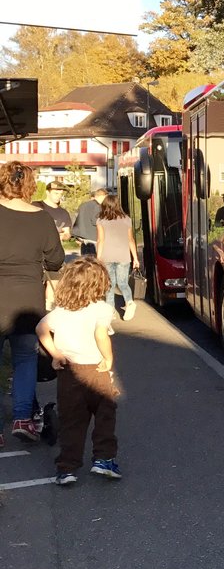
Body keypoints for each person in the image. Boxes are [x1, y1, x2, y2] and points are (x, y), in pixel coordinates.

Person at [36, 258, 121, 484]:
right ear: (99, 284)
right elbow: (100, 335)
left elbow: (41, 329)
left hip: (68, 372)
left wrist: (55, 354)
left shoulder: (60, 312)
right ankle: (103, 460)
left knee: (71, 421)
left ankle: (67, 469)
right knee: (105, 416)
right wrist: (108, 358)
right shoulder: (102, 309)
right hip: (95, 370)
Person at [0, 161, 65, 446]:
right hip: (28, 299)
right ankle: (23, 418)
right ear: (29, 186)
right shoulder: (42, 218)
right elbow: (56, 260)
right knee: (25, 359)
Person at [95, 193, 140, 321]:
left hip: (107, 256)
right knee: (123, 283)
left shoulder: (100, 220)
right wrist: (135, 258)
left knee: (109, 284)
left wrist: (98, 258)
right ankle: (130, 303)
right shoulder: (127, 219)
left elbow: (100, 240)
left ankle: (110, 310)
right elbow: (131, 240)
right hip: (123, 256)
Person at [36, 179, 73, 308]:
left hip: (55, 253)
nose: (59, 195)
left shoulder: (63, 213)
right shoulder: (37, 207)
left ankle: (49, 308)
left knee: (54, 281)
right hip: (37, 252)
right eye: (56, 192)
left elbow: (67, 233)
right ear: (47, 192)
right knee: (37, 283)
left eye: (61, 193)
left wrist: (63, 235)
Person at [72, 187, 108, 256]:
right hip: (93, 239)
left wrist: (76, 236)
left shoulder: (83, 205)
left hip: (83, 239)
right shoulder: (98, 207)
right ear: (103, 196)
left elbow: (76, 220)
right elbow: (96, 222)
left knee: (86, 262)